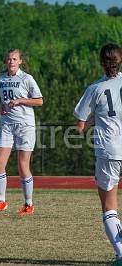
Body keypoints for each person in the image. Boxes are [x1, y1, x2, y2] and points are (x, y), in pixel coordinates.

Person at [74, 43, 122, 263]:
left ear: (102, 62)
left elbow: (80, 124)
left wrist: (85, 126)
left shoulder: (96, 88)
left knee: (108, 206)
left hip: (110, 151)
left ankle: (121, 254)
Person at [0, 49, 43, 216]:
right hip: (7, 126)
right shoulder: (1, 79)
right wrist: (1, 107)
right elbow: (2, 100)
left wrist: (21, 101)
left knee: (22, 165)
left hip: (25, 125)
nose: (11, 61)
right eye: (9, 59)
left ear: (20, 61)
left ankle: (28, 203)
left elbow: (39, 101)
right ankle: (1, 201)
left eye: (14, 59)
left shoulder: (27, 78)